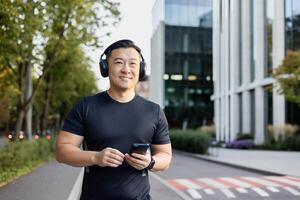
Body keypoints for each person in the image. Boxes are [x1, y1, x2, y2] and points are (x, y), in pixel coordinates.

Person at [55, 39, 172, 200]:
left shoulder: (154, 111)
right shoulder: (86, 106)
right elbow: (62, 151)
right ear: (106, 67)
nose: (126, 69)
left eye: (132, 64)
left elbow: (165, 156)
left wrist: (150, 162)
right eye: (119, 62)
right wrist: (95, 157)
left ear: (141, 69)